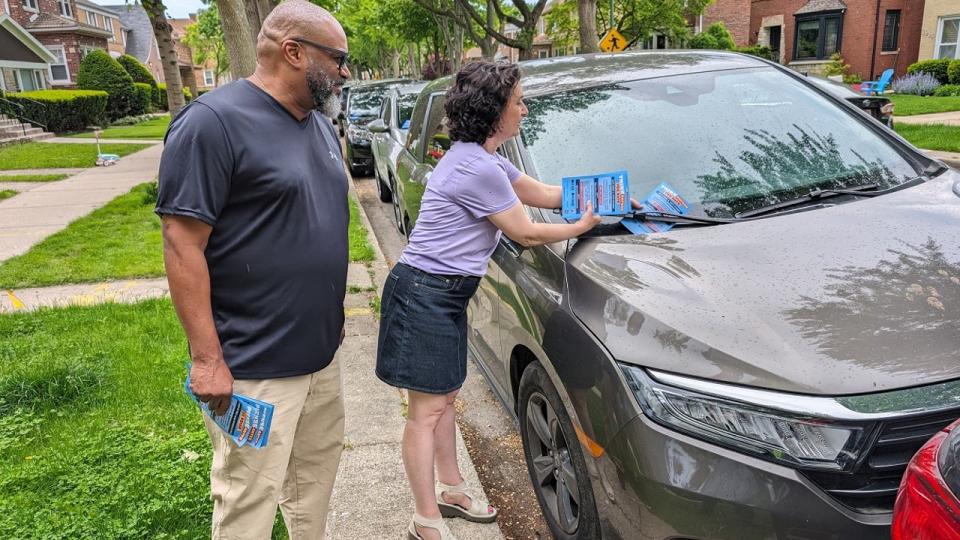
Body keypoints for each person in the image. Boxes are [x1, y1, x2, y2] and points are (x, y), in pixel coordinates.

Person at [375, 61, 603, 540]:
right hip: (424, 295)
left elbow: (541, 193)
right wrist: (581, 227)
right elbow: (524, 231)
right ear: (494, 112)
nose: (524, 108)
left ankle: (453, 488)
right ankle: (425, 520)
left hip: (442, 294)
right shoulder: (476, 168)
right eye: (517, 101)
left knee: (446, 399)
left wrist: (602, 195)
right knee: (425, 412)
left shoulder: (483, 158)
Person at [155, 1, 351, 538]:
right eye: (338, 58)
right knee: (249, 500)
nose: (346, 72)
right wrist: (207, 360)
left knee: (314, 487)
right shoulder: (212, 124)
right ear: (293, 52)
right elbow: (181, 243)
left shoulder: (315, 123)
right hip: (253, 370)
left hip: (319, 358)